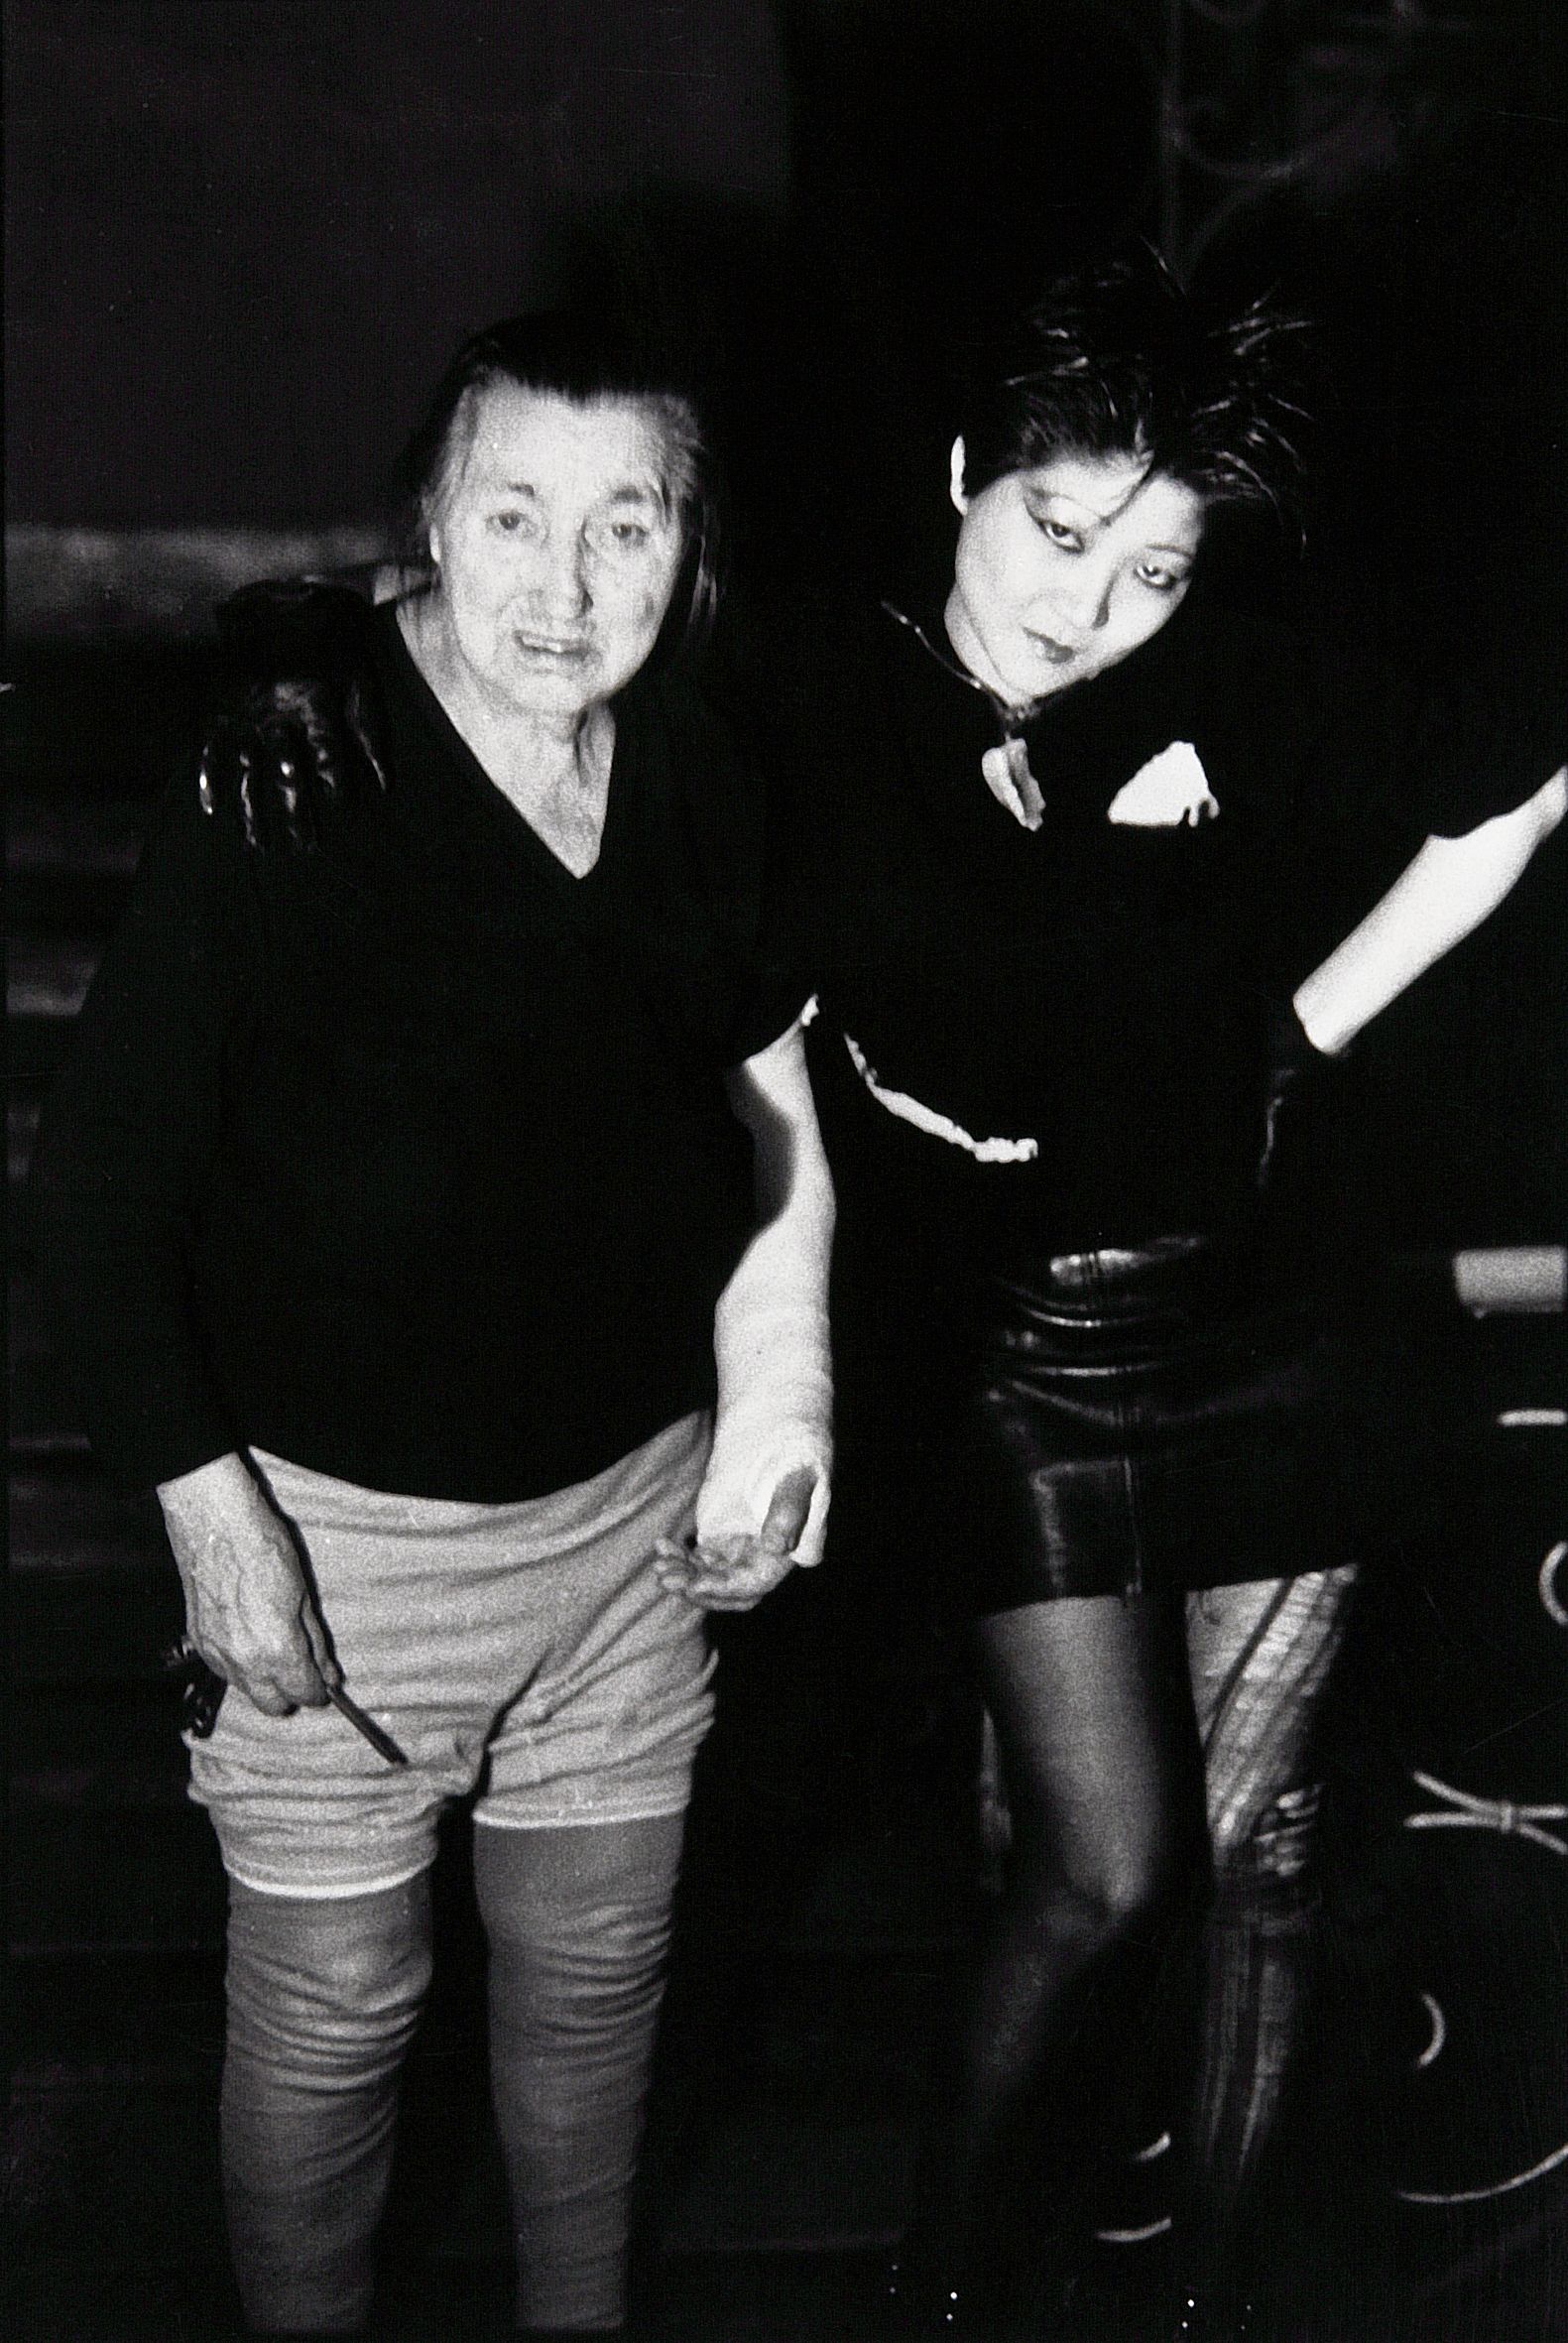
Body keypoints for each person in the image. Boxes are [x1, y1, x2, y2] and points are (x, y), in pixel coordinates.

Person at [765, 253, 1565, 2338]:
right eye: (1054, 531)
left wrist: (1303, 1027)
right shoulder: (812, 686)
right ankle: (936, 2288)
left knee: (1266, 1845)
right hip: (1011, 1348)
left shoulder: (1236, 677)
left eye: (1152, 569)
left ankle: (1212, 2307)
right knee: (1105, 1866)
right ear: (966, 471)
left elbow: (1510, 775)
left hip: (1272, 1310)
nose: (1089, 605)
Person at [34, 311, 834, 2343]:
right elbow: (98, 1195)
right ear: (429, 522)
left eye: (624, 524)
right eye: (511, 515)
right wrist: (216, 1523)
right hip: (340, 1545)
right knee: (334, 2019)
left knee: (594, 2001)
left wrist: (776, 1410)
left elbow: (768, 1117)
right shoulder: (293, 771)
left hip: (624, 1536)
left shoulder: (699, 773)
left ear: (687, 547)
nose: (565, 585)